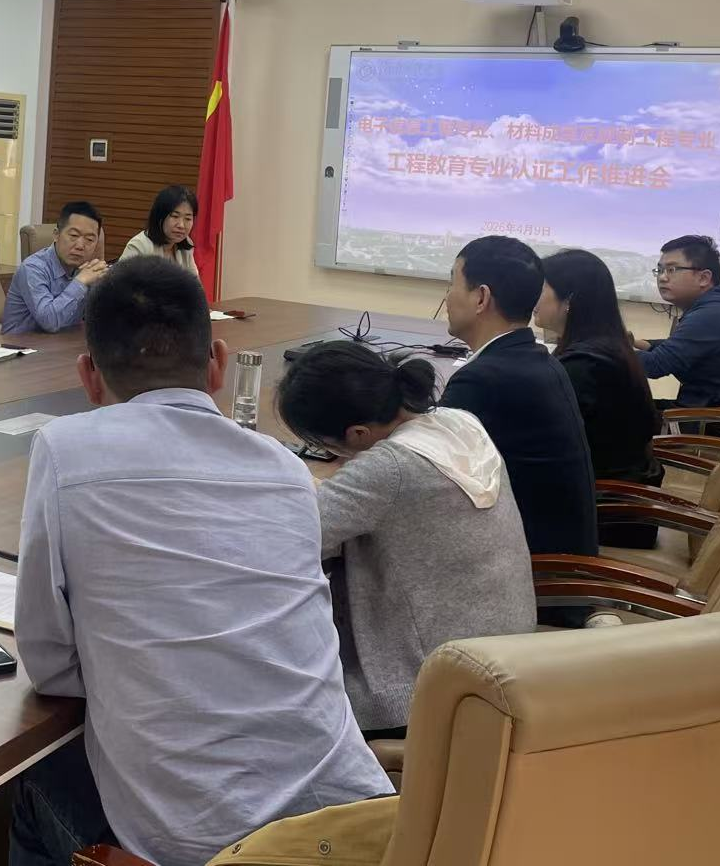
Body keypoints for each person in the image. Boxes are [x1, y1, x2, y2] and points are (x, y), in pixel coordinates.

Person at [12, 257, 391, 866]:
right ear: (218, 363)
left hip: (208, 848)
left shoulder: (63, 450)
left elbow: (50, 664)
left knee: (31, 784)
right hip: (362, 825)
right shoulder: (288, 471)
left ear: (87, 375)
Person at [275, 342, 536, 737]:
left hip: (427, 687)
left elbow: (289, 537)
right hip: (508, 655)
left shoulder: (389, 469)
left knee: (274, 693)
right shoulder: (460, 423)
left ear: (358, 433)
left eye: (324, 445)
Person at [438, 235, 598, 560]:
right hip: (559, 553)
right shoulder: (534, 358)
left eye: (452, 283)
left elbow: (421, 472)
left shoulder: (484, 379)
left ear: (481, 298)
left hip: (530, 568)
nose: (446, 296)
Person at [535, 249, 664, 549]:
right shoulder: (603, 347)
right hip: (618, 503)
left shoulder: (586, 365)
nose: (532, 298)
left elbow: (547, 444)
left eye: (541, 289)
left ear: (569, 300)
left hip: (607, 514)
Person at [636, 234, 720, 411]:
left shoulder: (711, 316)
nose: (662, 277)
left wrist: (611, 348)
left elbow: (655, 365)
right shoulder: (718, 307)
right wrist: (636, 343)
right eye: (660, 270)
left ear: (704, 278)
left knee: (612, 410)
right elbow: (679, 348)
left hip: (713, 418)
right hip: (711, 407)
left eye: (672, 270)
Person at [1, 201, 107, 335]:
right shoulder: (33, 268)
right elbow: (49, 321)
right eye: (74, 236)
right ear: (56, 234)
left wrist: (103, 286)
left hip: (63, 343)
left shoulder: (86, 270)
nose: (80, 246)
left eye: (89, 240)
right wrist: (80, 282)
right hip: (19, 345)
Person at [118, 184, 199, 276]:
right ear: (159, 217)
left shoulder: (185, 247)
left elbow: (195, 283)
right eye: (175, 216)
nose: (181, 225)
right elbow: (119, 282)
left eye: (188, 219)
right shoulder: (139, 246)